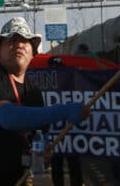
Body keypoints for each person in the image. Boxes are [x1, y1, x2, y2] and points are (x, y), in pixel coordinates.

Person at [0, 18, 84, 186]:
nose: (19, 45)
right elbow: (8, 117)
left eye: (25, 42)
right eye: (12, 41)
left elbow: (37, 138)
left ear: (33, 51)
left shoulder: (33, 91)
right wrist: (61, 111)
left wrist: (41, 154)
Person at [46, 57, 83, 186]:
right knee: (61, 165)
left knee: (69, 165)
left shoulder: (73, 82)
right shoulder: (46, 85)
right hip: (58, 132)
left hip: (69, 131)